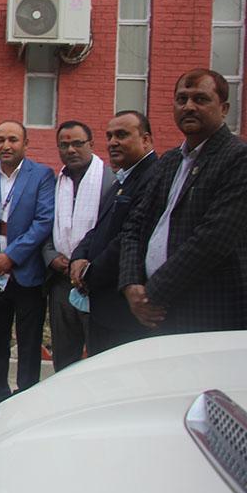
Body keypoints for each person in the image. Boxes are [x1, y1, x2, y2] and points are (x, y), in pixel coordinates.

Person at [119, 69, 247, 334]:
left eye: (200, 99)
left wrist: (150, 293)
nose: (188, 106)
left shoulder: (237, 158)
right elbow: (134, 225)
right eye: (182, 99)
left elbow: (214, 239)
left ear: (224, 109)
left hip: (208, 313)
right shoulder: (170, 161)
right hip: (157, 312)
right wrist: (131, 283)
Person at [0, 120, 54, 410]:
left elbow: (43, 221)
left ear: (25, 144)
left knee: (28, 339)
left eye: (13, 140)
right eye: (1, 140)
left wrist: (12, 256)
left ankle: (26, 395)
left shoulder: (41, 175)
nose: (6, 145)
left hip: (26, 272)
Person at [70, 111, 157, 354]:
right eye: (109, 136)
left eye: (122, 135)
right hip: (104, 307)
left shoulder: (153, 178)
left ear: (146, 140)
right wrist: (79, 256)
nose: (112, 142)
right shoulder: (122, 179)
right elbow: (99, 228)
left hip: (124, 311)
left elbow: (130, 236)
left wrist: (89, 273)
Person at [41, 121, 114, 372]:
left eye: (77, 143)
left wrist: (87, 265)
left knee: (98, 355)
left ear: (91, 144)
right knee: (64, 354)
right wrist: (51, 256)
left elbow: (113, 231)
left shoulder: (109, 180)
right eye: (64, 145)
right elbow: (45, 225)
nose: (70, 150)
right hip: (61, 280)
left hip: (94, 281)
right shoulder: (56, 181)